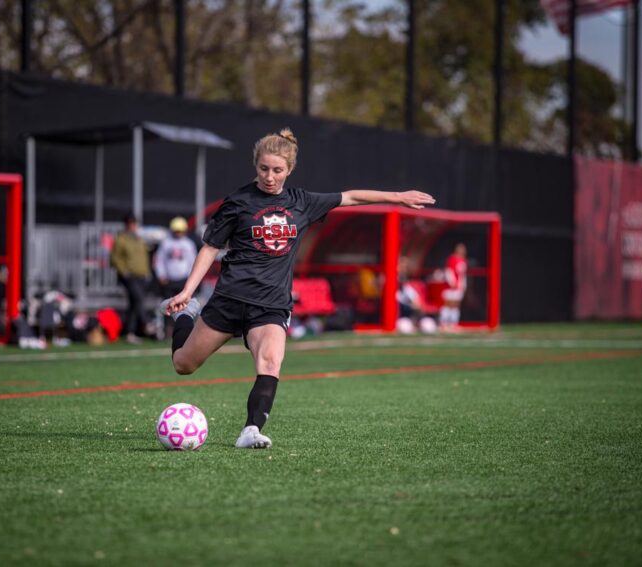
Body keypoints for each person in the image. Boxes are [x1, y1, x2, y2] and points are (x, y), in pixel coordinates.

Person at [160, 128, 435, 449]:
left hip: (271, 304)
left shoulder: (301, 202)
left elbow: (352, 197)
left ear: (289, 170)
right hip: (229, 299)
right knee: (184, 365)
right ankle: (185, 318)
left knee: (271, 363)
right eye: (264, 169)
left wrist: (398, 197)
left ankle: (250, 430)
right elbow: (209, 248)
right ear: (255, 166)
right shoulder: (238, 202)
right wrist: (187, 293)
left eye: (277, 170)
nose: (270, 177)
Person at [111, 213, 153, 344]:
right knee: (138, 298)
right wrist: (124, 272)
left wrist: (147, 272)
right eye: (131, 223)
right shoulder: (120, 239)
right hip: (130, 277)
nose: (133, 226)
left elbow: (144, 256)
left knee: (134, 304)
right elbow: (115, 258)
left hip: (141, 275)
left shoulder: (139, 239)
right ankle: (147, 324)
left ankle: (130, 333)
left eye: (134, 223)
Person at [153, 216, 198, 301]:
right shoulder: (166, 243)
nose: (178, 233)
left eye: (180, 231)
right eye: (176, 231)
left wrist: (190, 277)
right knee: (168, 304)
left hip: (184, 280)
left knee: (183, 305)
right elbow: (159, 260)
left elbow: (193, 261)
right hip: (168, 280)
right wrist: (161, 275)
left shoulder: (188, 244)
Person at [439, 242, 468, 331]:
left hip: (459, 287)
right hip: (450, 286)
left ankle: (453, 324)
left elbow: (462, 275)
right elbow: (449, 271)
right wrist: (452, 283)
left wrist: (463, 284)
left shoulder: (463, 260)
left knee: (456, 305)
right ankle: (443, 323)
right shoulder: (452, 259)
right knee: (448, 304)